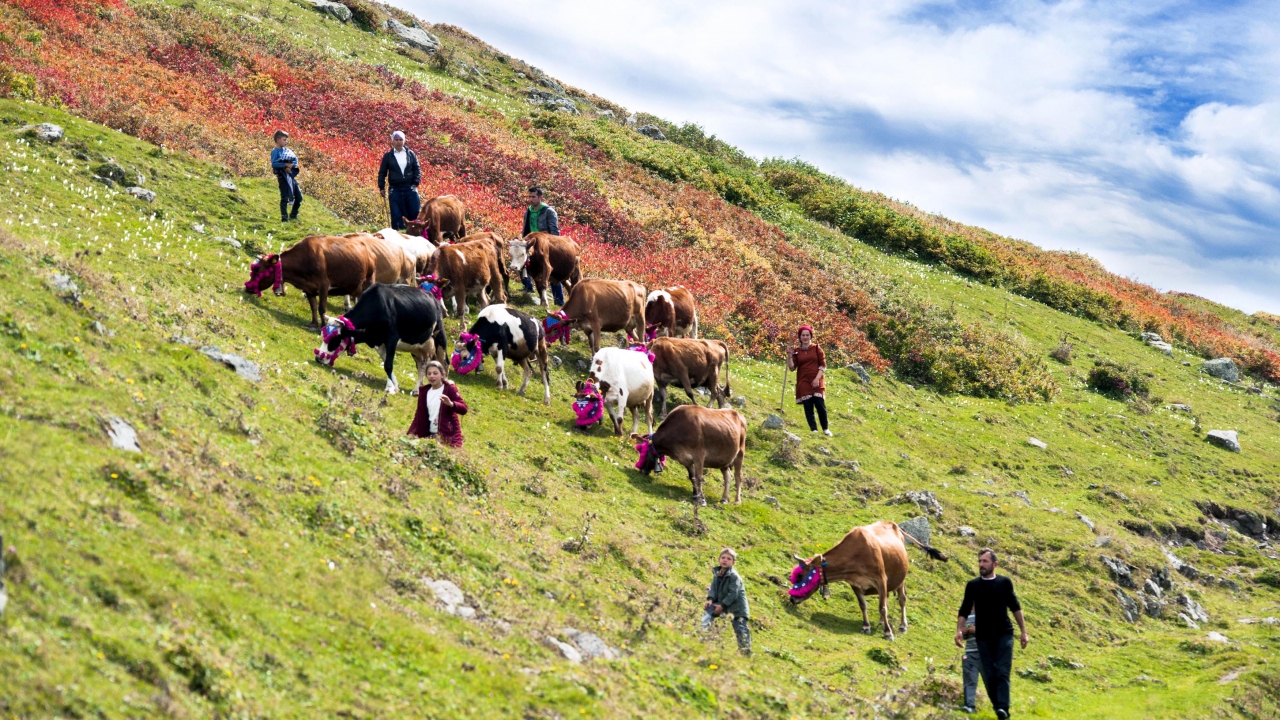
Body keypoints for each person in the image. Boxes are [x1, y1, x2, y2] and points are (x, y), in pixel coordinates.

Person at [955, 549, 1028, 720]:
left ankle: (1003, 708)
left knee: (1002, 671)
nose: (981, 564)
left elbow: (1015, 607)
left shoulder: (1004, 583)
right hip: (983, 637)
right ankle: (999, 709)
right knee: (990, 675)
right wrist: (959, 630)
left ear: (995, 564)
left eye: (985, 561)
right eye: (980, 561)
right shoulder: (973, 585)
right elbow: (964, 609)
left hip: (1004, 634)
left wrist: (1024, 632)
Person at [701, 548, 751, 655]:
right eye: (723, 557)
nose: (725, 560)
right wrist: (710, 599)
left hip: (737, 608)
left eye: (729, 559)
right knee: (709, 610)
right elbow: (713, 588)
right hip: (723, 604)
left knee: (740, 629)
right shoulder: (717, 573)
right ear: (719, 559)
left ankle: (745, 652)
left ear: (733, 562)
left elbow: (733, 594)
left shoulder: (734, 576)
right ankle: (702, 633)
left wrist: (722, 606)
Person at [520, 186, 564, 305]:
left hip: (546, 244)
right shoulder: (528, 211)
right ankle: (528, 287)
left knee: (550, 272)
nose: (531, 199)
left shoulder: (548, 211)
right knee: (521, 262)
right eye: (529, 196)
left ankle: (559, 300)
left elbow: (554, 231)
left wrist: (552, 245)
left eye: (533, 197)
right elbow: (526, 228)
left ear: (540, 197)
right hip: (532, 244)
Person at [407, 361, 468, 447]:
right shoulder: (424, 392)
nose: (432, 376)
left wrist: (451, 404)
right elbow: (419, 416)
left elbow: (464, 409)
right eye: (429, 373)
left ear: (442, 375)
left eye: (435, 373)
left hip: (448, 438)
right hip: (430, 437)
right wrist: (410, 435)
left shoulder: (449, 388)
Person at [787, 325, 830, 436]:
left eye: (807, 335)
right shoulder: (796, 351)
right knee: (808, 406)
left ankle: (825, 429)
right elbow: (792, 368)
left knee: (819, 403)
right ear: (800, 337)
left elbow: (823, 365)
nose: (805, 337)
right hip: (803, 381)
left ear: (811, 336)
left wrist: (817, 379)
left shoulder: (817, 348)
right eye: (803, 335)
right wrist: (789, 356)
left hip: (817, 380)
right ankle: (814, 430)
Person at [377, 131, 422, 231]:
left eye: (401, 139)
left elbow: (417, 168)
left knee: (414, 212)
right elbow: (382, 172)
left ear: (404, 140)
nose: (398, 142)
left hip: (410, 187)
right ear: (392, 141)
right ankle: (398, 235)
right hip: (395, 189)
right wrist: (381, 187)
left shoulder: (411, 154)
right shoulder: (388, 156)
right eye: (396, 140)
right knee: (396, 215)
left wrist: (415, 182)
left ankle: (414, 234)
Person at [270, 130, 302, 222]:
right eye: (284, 140)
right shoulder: (275, 152)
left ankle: (293, 214)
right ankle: (284, 218)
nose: (286, 142)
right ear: (278, 139)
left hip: (290, 176)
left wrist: (291, 166)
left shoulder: (287, 150)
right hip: (282, 177)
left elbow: (295, 159)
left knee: (299, 197)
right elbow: (274, 164)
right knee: (284, 197)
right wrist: (285, 166)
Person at [961, 611, 980, 713]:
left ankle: (999, 706)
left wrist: (975, 630)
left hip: (985, 653)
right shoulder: (966, 615)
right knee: (969, 680)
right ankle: (969, 706)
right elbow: (964, 637)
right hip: (970, 652)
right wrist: (964, 632)